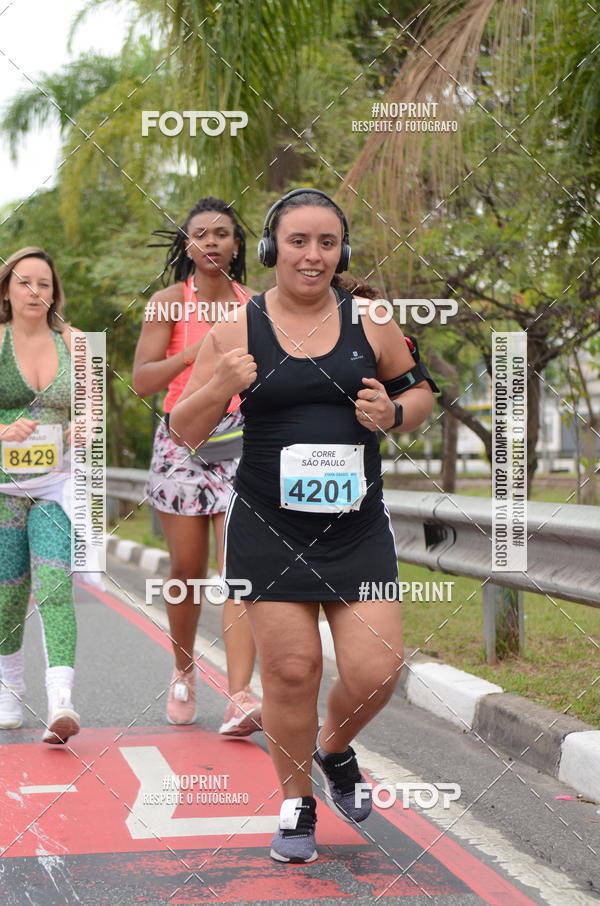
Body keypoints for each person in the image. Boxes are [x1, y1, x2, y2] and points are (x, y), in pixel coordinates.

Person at [170, 188, 438, 862]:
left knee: (377, 668)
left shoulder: (371, 319)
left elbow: (419, 391)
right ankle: (296, 803)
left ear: (341, 252)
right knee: (292, 672)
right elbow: (185, 431)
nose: (312, 255)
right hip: (270, 527)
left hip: (356, 529)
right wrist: (219, 384)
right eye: (298, 242)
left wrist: (394, 414)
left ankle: (334, 748)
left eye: (327, 243)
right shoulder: (238, 328)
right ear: (271, 249)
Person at [133, 197, 262, 735]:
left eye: (222, 234)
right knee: (187, 569)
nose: (211, 242)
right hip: (181, 442)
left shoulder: (256, 304)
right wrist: (196, 354)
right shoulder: (168, 302)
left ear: (236, 245)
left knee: (240, 569)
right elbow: (142, 380)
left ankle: (240, 694)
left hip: (241, 442)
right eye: (200, 234)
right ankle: (183, 668)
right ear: (187, 245)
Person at [0, 247, 82, 743]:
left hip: (58, 486)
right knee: (8, 596)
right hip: (3, 491)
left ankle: (61, 700)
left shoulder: (76, 344)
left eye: (44, 284)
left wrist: (83, 426)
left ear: (55, 292)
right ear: (6, 290)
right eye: (24, 282)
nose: (35, 292)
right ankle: (9, 689)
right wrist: (2, 430)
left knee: (55, 586)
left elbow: (93, 411)